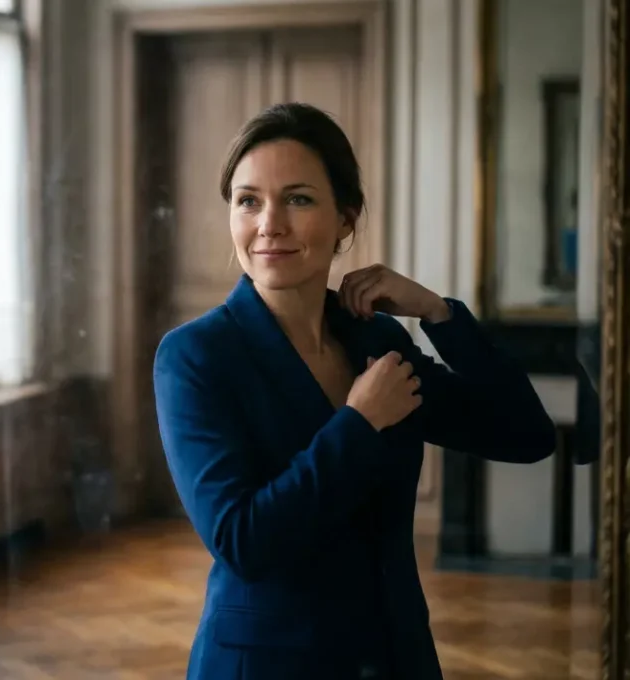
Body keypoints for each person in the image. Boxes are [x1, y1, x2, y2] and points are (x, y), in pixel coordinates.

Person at [151, 102, 556, 680]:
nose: (269, 224)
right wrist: (358, 425)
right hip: (268, 665)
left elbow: (526, 434)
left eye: (298, 198)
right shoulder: (195, 356)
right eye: (248, 201)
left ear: (346, 217)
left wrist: (439, 315)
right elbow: (242, 540)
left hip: (395, 655)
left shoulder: (376, 340)